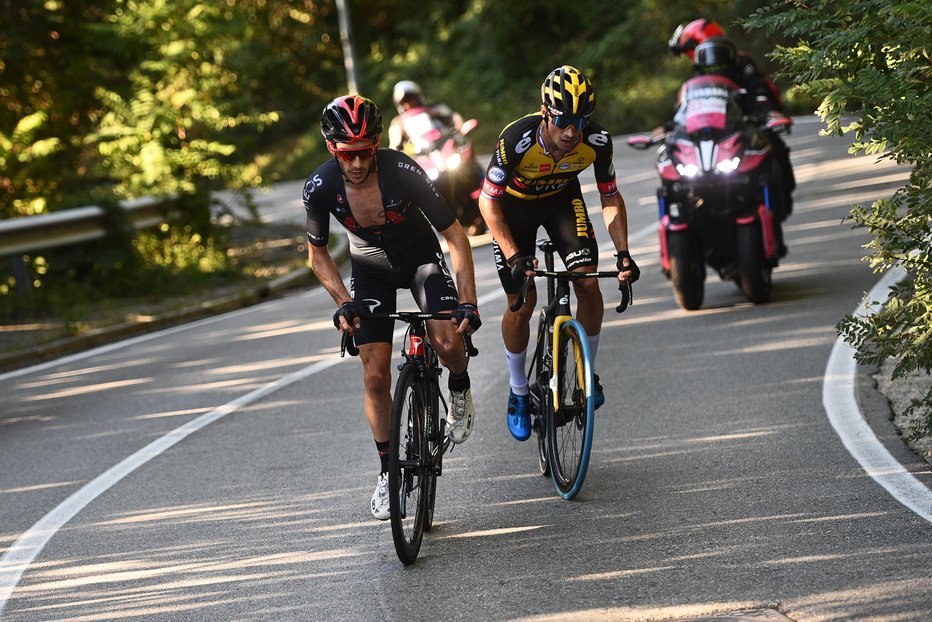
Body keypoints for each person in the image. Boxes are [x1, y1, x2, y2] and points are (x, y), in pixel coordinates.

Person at [303, 95, 481, 520]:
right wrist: (343, 303)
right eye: (348, 154)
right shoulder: (321, 186)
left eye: (366, 152)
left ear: (378, 142)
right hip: (370, 268)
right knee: (376, 374)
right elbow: (318, 254)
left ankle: (458, 387)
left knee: (447, 341)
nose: (358, 163)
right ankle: (388, 473)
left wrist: (468, 301)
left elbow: (455, 236)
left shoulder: (403, 171)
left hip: (419, 256)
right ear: (332, 148)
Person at [477, 65, 640, 442]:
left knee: (586, 282)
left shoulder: (596, 141)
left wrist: (624, 254)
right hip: (514, 210)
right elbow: (488, 203)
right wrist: (514, 253)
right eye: (563, 121)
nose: (571, 132)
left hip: (560, 203)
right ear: (544, 112)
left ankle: (586, 372)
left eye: (580, 121)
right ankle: (518, 392)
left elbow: (610, 195)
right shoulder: (516, 139)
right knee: (522, 301)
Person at [669, 18, 796, 248]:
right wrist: (672, 126)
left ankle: (775, 214)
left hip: (746, 130)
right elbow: (687, 106)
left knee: (775, 155)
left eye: (691, 50)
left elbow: (760, 92)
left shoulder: (741, 62)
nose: (690, 56)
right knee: (672, 164)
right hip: (711, 136)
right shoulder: (699, 73)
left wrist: (768, 114)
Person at [388, 80, 464, 154]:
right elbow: (394, 146)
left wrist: (460, 127)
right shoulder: (398, 122)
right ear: (400, 105)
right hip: (420, 158)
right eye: (405, 101)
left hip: (448, 147)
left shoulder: (435, 108)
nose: (409, 103)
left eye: (411, 98)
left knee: (464, 150)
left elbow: (454, 118)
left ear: (418, 97)